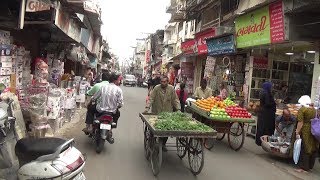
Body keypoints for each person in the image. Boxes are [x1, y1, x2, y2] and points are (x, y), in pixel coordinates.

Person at [145, 76, 181, 151]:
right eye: (161, 81)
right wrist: (147, 108)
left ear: (167, 82)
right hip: (156, 112)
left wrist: (178, 109)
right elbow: (151, 98)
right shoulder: (156, 88)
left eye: (164, 82)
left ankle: (163, 144)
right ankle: (152, 141)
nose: (163, 83)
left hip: (167, 113)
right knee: (154, 129)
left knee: (166, 131)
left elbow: (175, 100)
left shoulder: (171, 89)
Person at [83, 73, 123, 139]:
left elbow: (94, 98)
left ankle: (89, 126)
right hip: (112, 112)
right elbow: (120, 103)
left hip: (100, 110)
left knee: (90, 108)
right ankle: (110, 129)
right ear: (115, 81)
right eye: (118, 80)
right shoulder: (119, 90)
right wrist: (116, 107)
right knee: (118, 113)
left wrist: (90, 102)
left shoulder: (103, 87)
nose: (119, 82)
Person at [294, 95, 319, 172]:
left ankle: (304, 168)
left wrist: (297, 131)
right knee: (312, 147)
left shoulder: (303, 109)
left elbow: (300, 122)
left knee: (305, 147)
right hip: (313, 129)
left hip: (305, 129)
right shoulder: (314, 109)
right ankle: (310, 166)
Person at [255, 82, 276, 146]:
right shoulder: (266, 93)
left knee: (261, 127)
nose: (271, 88)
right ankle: (264, 141)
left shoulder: (262, 92)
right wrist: (274, 103)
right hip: (267, 113)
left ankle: (259, 141)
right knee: (265, 127)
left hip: (262, 112)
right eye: (270, 87)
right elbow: (267, 103)